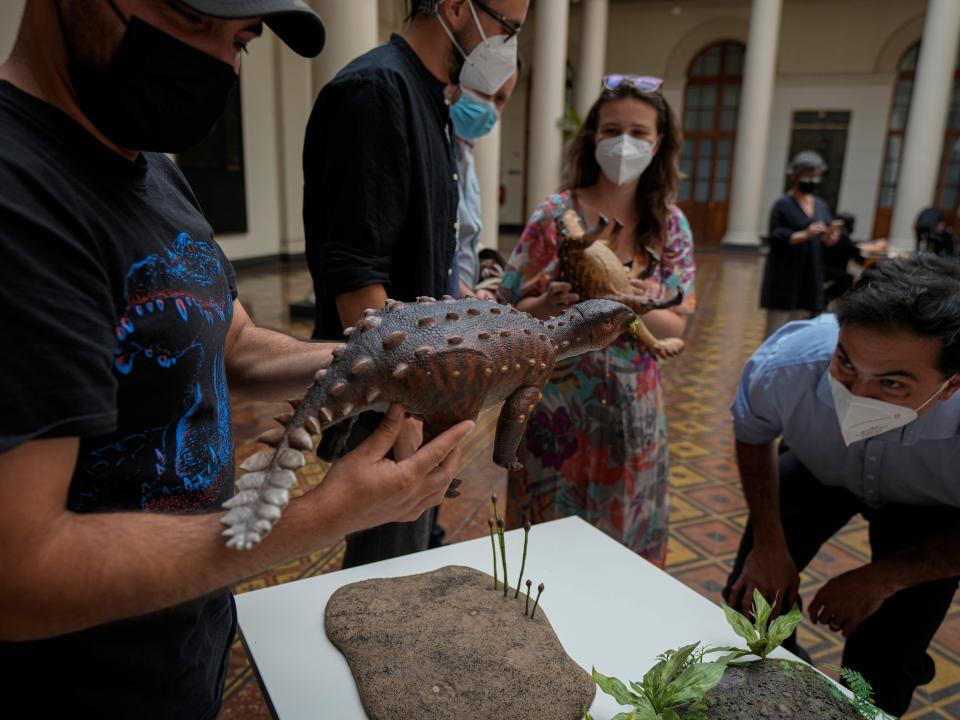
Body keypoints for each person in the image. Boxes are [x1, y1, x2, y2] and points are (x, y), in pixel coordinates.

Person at [0, 2, 472, 717]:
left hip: (182, 644)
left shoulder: (148, 163)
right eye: (195, 21)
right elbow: (20, 575)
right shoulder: (19, 192)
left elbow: (235, 344)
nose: (219, 62)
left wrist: (379, 361)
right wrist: (325, 515)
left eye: (242, 40)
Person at [303, 0, 529, 567]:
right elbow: (358, 280)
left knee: (406, 561)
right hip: (388, 400)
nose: (508, 46)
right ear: (457, 8)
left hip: (416, 394)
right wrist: (405, 427)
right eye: (509, 28)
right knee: (383, 581)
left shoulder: (430, 100)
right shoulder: (377, 92)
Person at [724, 255, 960, 716]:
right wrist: (769, 543)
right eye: (845, 364)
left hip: (933, 505)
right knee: (753, 601)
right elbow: (753, 437)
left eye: (892, 384)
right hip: (820, 470)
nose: (856, 395)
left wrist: (887, 577)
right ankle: (782, 694)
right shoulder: (785, 366)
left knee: (888, 653)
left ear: (950, 387)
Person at [498, 75, 695, 566]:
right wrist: (542, 307)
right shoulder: (555, 215)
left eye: (638, 131)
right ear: (592, 137)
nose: (623, 142)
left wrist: (639, 301)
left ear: (659, 142)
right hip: (554, 407)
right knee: (543, 549)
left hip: (634, 411)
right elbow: (506, 312)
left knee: (623, 546)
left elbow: (677, 326)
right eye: (611, 129)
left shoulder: (670, 226)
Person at [449, 58, 521, 299]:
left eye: (500, 99)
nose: (489, 106)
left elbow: (465, 237)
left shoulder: (466, 155)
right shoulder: (434, 148)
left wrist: (484, 284)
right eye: (485, 92)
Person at [761, 150, 839, 338]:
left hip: (809, 278)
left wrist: (830, 236)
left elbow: (825, 236)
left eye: (815, 177)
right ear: (795, 177)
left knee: (797, 333)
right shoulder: (782, 205)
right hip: (784, 278)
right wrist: (805, 234)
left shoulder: (820, 205)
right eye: (808, 177)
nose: (811, 181)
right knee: (775, 333)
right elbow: (777, 237)